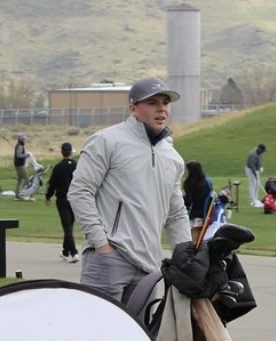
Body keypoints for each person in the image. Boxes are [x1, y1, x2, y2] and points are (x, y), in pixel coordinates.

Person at [68, 76, 190, 303]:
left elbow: (176, 215)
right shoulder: (106, 141)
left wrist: (186, 257)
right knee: (98, 334)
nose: (161, 109)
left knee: (138, 337)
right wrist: (101, 244)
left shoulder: (172, 157)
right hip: (109, 260)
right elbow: (79, 192)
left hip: (149, 267)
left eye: (165, 102)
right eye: (152, 103)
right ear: (133, 108)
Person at [46, 142, 79, 263]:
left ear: (62, 152)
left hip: (62, 199)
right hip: (75, 199)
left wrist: (48, 196)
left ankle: (74, 252)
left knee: (67, 226)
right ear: (71, 152)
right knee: (69, 224)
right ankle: (65, 251)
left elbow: (52, 184)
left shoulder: (58, 167)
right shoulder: (77, 166)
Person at [183, 161, 214, 242]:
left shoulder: (189, 183)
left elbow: (188, 200)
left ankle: (195, 254)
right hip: (206, 213)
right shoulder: (207, 182)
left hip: (194, 215)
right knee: (203, 239)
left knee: (194, 240)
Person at [245, 143, 266, 208]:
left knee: (257, 184)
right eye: (262, 151)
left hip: (256, 169)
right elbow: (252, 165)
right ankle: (253, 201)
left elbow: (261, 160)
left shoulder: (260, 153)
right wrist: (255, 174)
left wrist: (261, 167)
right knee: (252, 184)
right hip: (250, 170)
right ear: (259, 149)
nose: (263, 152)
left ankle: (256, 199)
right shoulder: (253, 155)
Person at [13, 134, 29, 199]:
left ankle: (17, 195)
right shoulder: (20, 146)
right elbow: (18, 155)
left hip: (17, 164)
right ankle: (23, 193)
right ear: (20, 139)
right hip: (19, 165)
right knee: (26, 179)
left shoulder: (20, 145)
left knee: (19, 180)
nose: (24, 140)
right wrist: (26, 155)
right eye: (23, 139)